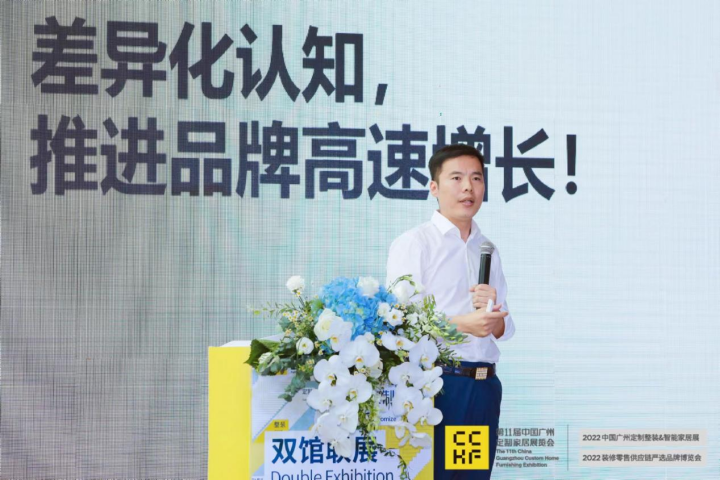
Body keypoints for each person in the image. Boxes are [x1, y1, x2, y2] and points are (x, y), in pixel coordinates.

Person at [385, 144, 515, 479]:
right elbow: (398, 323)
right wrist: (462, 324)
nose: (468, 187)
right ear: (434, 187)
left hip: (482, 388)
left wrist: (492, 318)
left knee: (469, 477)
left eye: (476, 178)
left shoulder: (487, 248)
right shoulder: (416, 243)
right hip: (437, 388)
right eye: (456, 178)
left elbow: (504, 328)